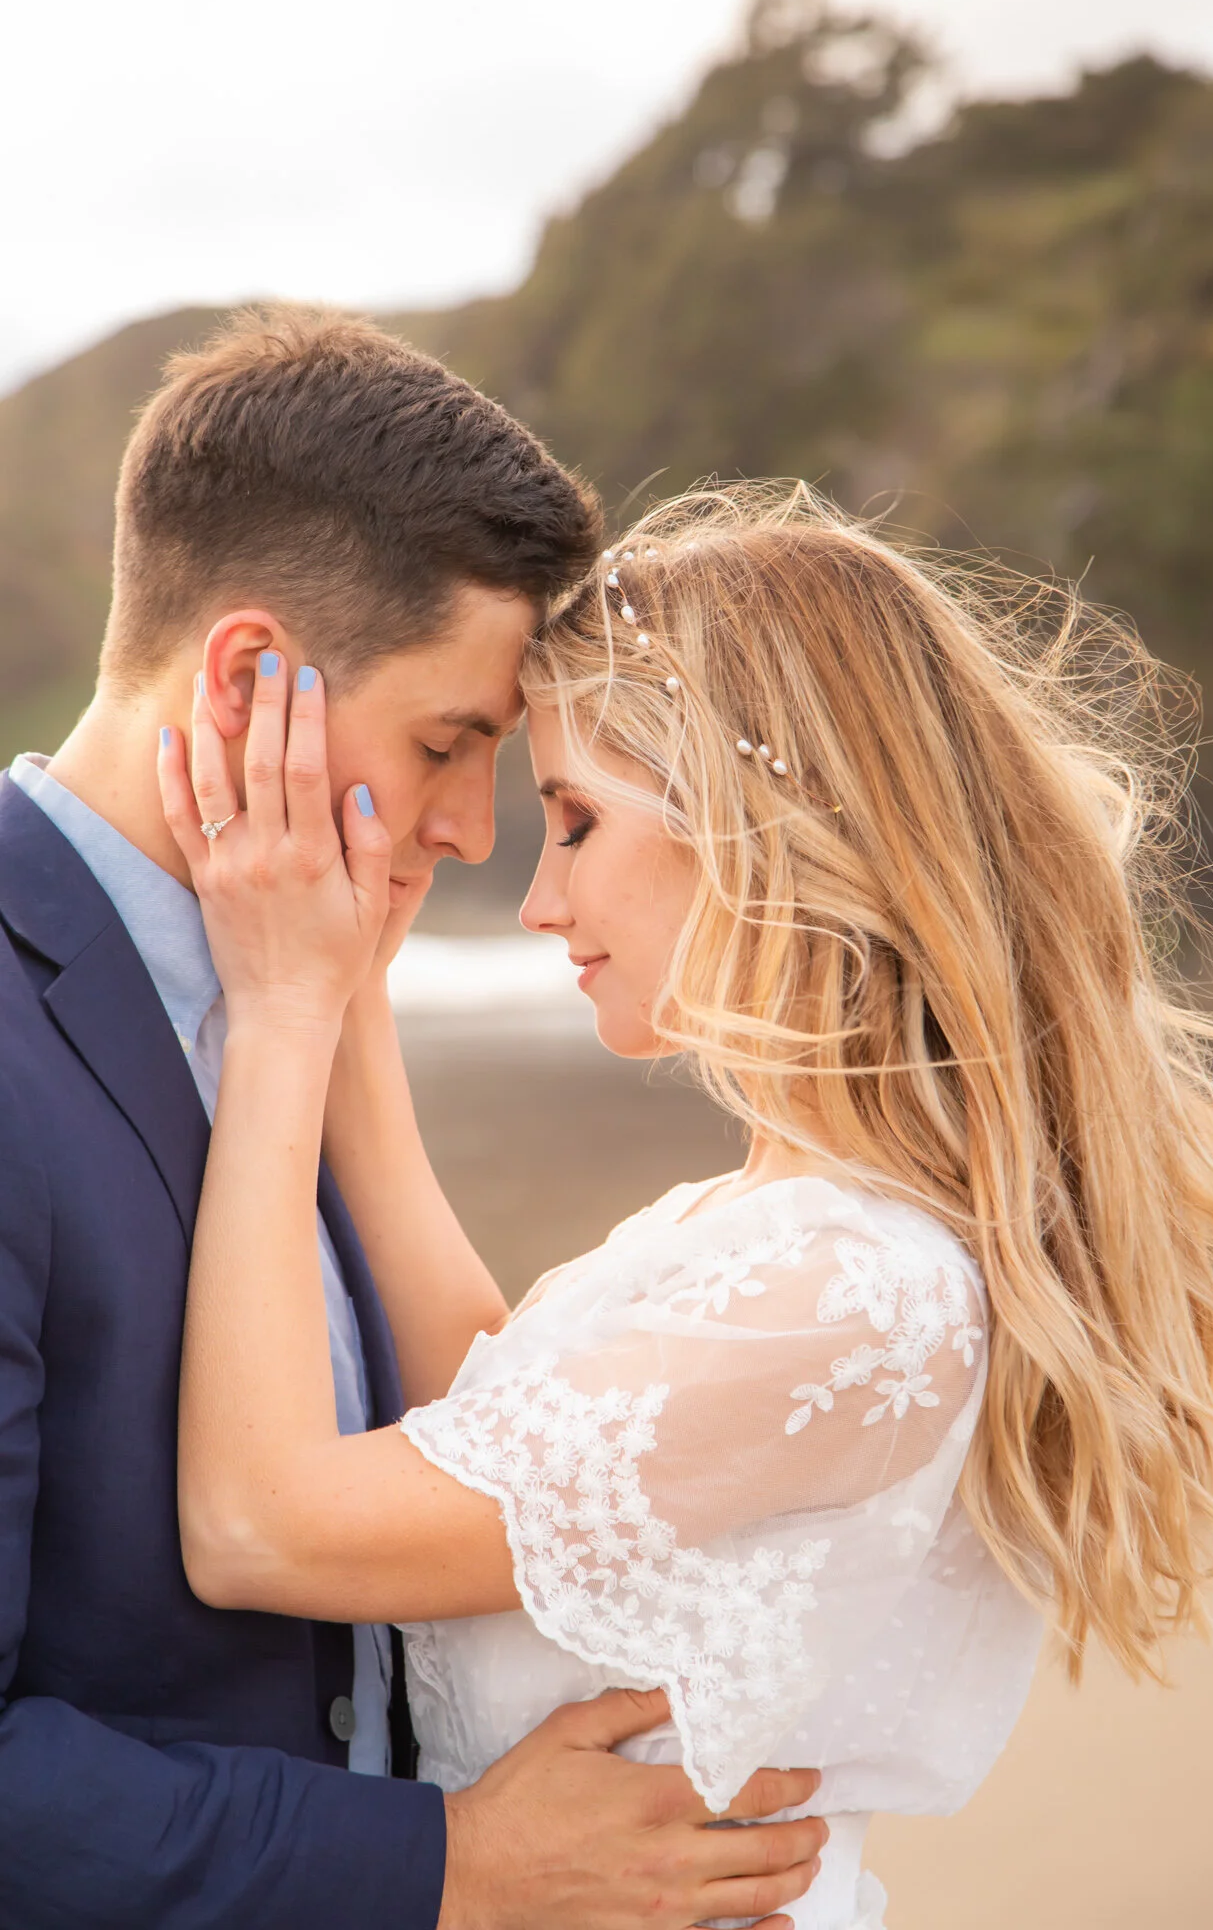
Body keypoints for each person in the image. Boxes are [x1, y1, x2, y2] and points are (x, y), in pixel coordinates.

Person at [160, 486, 1213, 1930]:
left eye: (577, 823)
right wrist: (352, 991)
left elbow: (260, 1529)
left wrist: (280, 1014)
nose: (537, 900)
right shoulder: (780, 1227)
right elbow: (485, 1413)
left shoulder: (858, 1295)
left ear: (759, 829)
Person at [0, 315, 826, 1930]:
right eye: (448, 746)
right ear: (247, 679)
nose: (469, 832)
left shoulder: (305, 978)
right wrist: (452, 1866)